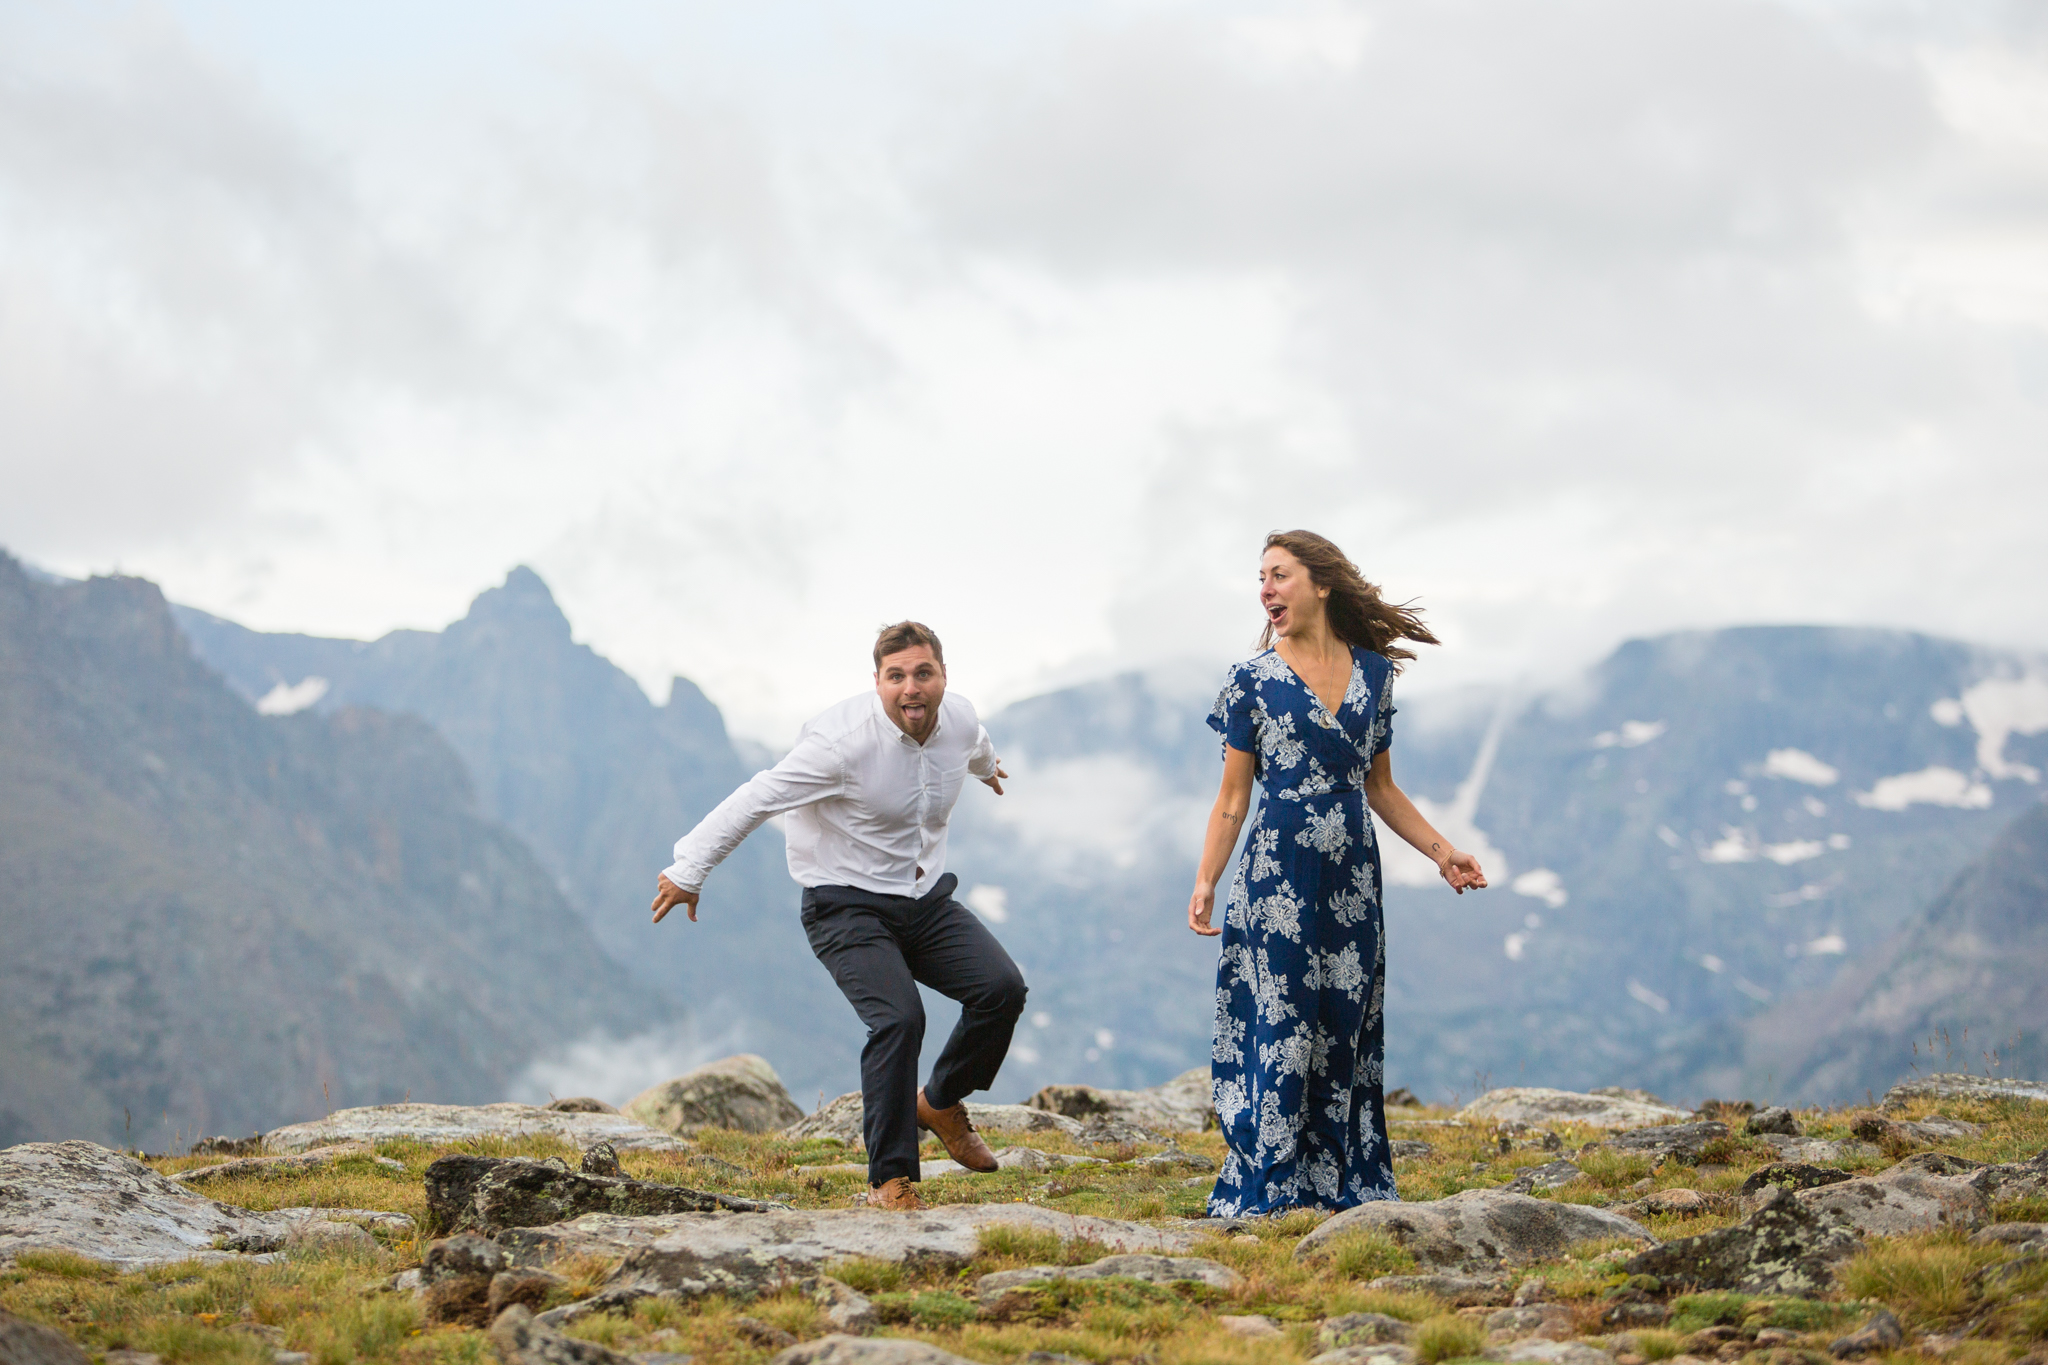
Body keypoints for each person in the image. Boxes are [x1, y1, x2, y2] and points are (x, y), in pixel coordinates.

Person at [650, 621, 1029, 1213]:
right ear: (877, 682)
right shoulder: (840, 745)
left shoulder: (958, 719)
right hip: (845, 905)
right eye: (896, 676)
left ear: (943, 677)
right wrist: (688, 868)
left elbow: (974, 742)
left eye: (923, 674)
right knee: (900, 1019)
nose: (911, 688)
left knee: (1002, 990)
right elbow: (758, 797)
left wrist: (987, 768)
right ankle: (891, 1179)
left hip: (923, 901)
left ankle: (941, 1101)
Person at [1187, 531, 1486, 1217]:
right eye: (1260, 578)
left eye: (1279, 575)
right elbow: (1233, 798)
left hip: (1351, 876)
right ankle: (1275, 1180)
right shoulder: (1250, 680)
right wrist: (1208, 878)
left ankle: (1339, 1178)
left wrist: (1444, 852)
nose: (1265, 589)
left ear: (1321, 584)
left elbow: (1381, 788)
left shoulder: (1376, 676)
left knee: (1343, 1022)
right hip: (1277, 875)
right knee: (1284, 1021)